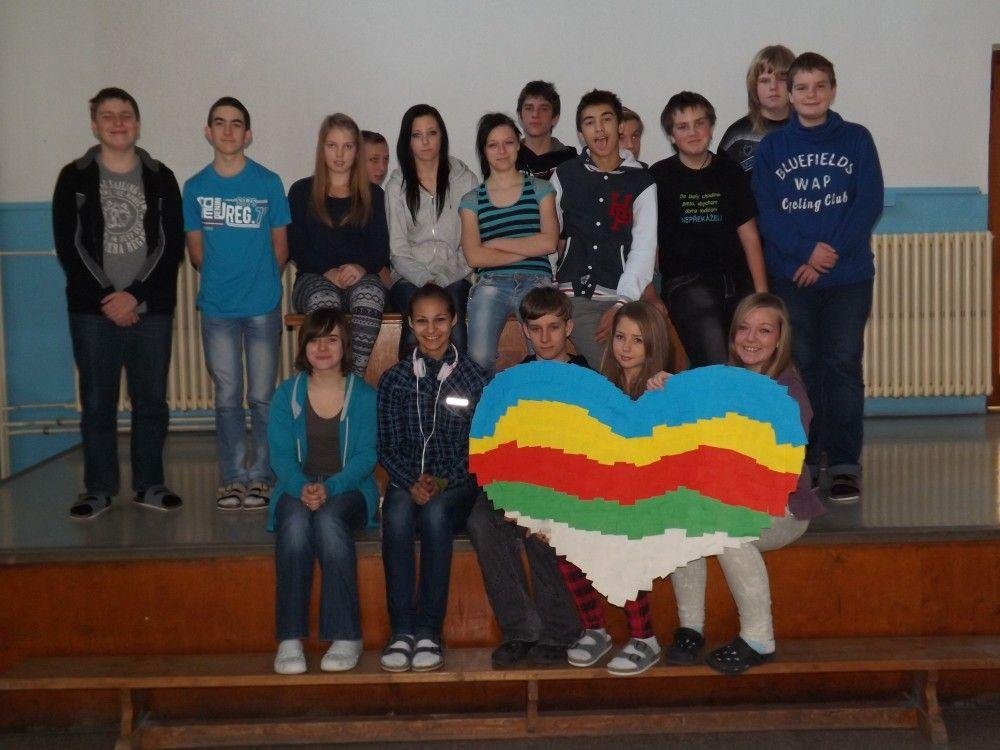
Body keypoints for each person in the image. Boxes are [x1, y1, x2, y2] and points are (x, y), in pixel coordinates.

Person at [660, 293, 826, 673]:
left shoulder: (788, 390)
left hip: (783, 509)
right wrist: (667, 386)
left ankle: (758, 639)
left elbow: (774, 466)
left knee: (725, 528)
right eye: (744, 329)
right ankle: (690, 629)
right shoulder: (724, 379)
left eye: (764, 331)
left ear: (780, 339)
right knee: (682, 520)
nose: (751, 339)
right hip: (730, 501)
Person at [752, 52, 883, 505]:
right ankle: (806, 459)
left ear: (832, 90)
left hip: (848, 277)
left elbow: (867, 203)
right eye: (802, 87)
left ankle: (845, 464)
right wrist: (804, 254)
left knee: (843, 364)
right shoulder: (771, 149)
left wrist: (825, 256)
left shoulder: (857, 139)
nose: (811, 95)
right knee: (803, 366)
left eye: (820, 86)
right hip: (793, 278)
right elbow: (767, 214)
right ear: (789, 95)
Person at [52, 87, 184, 520]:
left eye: (125, 114)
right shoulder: (73, 177)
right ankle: (99, 489)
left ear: (137, 123)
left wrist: (135, 295)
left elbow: (169, 245)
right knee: (97, 403)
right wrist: (110, 297)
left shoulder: (161, 177)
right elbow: (70, 246)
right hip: (93, 312)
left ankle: (150, 484)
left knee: (151, 402)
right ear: (95, 125)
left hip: (151, 310)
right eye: (107, 116)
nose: (118, 122)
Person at [466, 287, 583, 667]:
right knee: (481, 520)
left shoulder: (587, 379)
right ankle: (521, 630)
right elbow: (496, 443)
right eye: (535, 329)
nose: (545, 338)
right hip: (517, 481)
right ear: (524, 331)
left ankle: (561, 629)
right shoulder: (512, 380)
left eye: (553, 327)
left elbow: (593, 454)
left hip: (569, 488)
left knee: (545, 524)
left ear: (569, 327)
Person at [183, 97, 290, 511]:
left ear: (248, 134)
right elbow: (196, 254)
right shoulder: (195, 188)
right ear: (207, 132)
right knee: (227, 397)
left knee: (262, 396)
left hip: (262, 305)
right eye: (220, 123)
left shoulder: (269, 183)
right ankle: (232, 478)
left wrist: (257, 282)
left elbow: (280, 248)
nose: (228, 131)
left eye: (236, 124)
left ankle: (261, 476)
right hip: (217, 309)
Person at [376, 283, 489, 672]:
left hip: (455, 484)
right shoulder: (394, 380)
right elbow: (387, 446)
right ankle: (401, 630)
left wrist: (439, 483)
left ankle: (428, 630)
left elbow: (477, 450)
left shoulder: (475, 379)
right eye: (421, 321)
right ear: (409, 324)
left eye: (440, 320)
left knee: (437, 515)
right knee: (396, 515)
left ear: (454, 320)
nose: (431, 330)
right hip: (406, 480)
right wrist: (412, 481)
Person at [560, 301, 670, 676]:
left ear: (653, 344)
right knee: (563, 532)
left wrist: (669, 388)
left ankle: (644, 637)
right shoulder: (603, 387)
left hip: (654, 501)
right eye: (620, 337)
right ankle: (595, 629)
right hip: (611, 493)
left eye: (637, 340)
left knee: (624, 534)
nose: (626, 347)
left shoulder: (663, 387)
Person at [268, 309, 379, 675]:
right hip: (296, 485)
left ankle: (347, 635)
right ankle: (289, 638)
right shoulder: (287, 394)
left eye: (332, 339)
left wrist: (329, 488)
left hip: (349, 487)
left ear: (345, 345)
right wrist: (301, 487)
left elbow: (366, 456)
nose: (322, 347)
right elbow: (280, 457)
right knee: (295, 526)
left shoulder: (363, 395)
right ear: (303, 347)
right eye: (315, 339)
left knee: (329, 521)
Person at [650, 91, 767, 368]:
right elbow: (646, 241)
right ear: (671, 135)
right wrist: (649, 291)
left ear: (711, 127)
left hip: (735, 281)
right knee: (715, 355)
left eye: (699, 123)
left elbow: (750, 237)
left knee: (754, 351)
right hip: (687, 283)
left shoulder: (730, 172)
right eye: (683, 126)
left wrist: (762, 295)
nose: (693, 132)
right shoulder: (659, 176)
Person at [550, 89, 657, 368]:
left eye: (606, 119)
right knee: (612, 369)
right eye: (589, 122)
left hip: (623, 296)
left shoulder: (642, 182)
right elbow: (549, 237)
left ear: (619, 126)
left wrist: (622, 302)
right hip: (575, 295)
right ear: (581, 133)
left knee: (642, 364)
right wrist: (549, 286)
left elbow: (643, 249)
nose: (599, 128)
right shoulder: (565, 175)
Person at [287, 114, 389, 377]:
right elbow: (296, 246)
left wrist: (361, 267)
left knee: (371, 295)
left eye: (348, 146)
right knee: (325, 300)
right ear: (322, 148)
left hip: (361, 277)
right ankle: (327, 379)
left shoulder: (374, 194)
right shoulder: (301, 192)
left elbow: (380, 248)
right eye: (332, 145)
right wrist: (328, 272)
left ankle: (352, 379)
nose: (340, 154)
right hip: (313, 277)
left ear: (357, 151)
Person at [461, 113, 558, 374]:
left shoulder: (541, 189)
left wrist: (497, 243)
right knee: (479, 359)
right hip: (491, 283)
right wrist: (528, 248)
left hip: (537, 281)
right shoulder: (471, 200)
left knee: (544, 353)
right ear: (484, 151)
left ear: (519, 145)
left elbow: (549, 242)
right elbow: (474, 257)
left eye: (508, 143)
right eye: (493, 145)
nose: (501, 151)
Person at [385, 104, 477, 358]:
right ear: (407, 141)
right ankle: (411, 383)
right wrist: (425, 279)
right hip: (409, 278)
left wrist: (443, 278)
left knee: (454, 323)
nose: (425, 142)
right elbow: (398, 251)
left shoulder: (466, 180)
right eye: (417, 135)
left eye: (432, 133)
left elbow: (470, 246)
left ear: (442, 136)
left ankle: (456, 383)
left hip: (454, 275)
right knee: (415, 326)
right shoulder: (396, 186)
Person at [719, 45, 796, 173]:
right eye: (765, 80)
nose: (773, 87)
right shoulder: (737, 136)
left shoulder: (810, 132)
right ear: (754, 86)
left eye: (782, 79)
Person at [514, 80, 577, 180]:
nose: (535, 114)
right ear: (519, 116)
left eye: (543, 109)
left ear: (555, 118)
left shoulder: (571, 162)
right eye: (529, 108)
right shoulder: (509, 159)